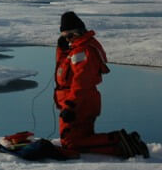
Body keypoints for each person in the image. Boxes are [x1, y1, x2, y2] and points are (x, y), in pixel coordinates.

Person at [54, 11, 148, 158]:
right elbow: (64, 70)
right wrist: (61, 50)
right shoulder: (77, 49)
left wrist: (71, 106)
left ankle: (122, 144)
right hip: (79, 101)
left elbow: (81, 83)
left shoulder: (82, 51)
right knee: (80, 139)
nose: (68, 40)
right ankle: (123, 141)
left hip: (79, 103)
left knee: (72, 143)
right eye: (64, 37)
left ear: (78, 32)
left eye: (69, 36)